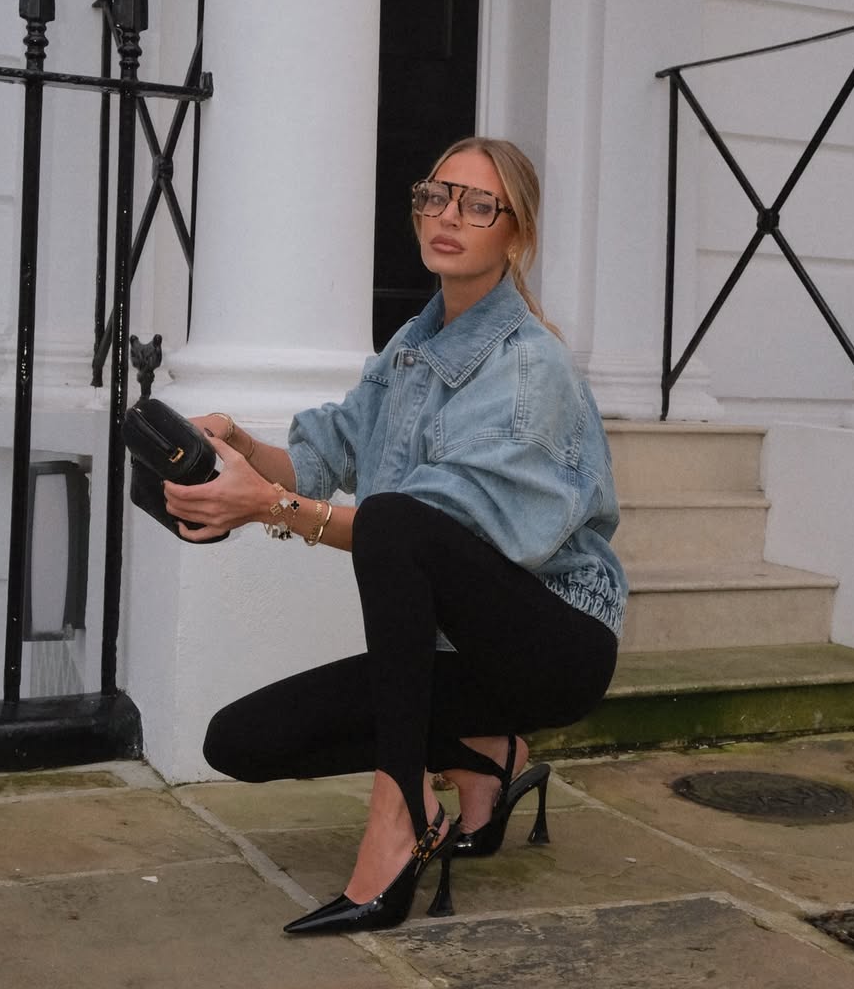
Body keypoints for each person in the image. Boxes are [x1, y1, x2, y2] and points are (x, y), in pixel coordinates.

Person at [163, 137, 628, 935]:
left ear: (515, 237)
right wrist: (237, 444)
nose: (449, 216)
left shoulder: (529, 369)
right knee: (238, 740)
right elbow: (319, 457)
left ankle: (399, 814)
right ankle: (488, 756)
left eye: (478, 205)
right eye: (436, 196)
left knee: (400, 520)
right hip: (452, 656)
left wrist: (269, 510)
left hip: (553, 645)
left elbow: (424, 534)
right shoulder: (412, 348)